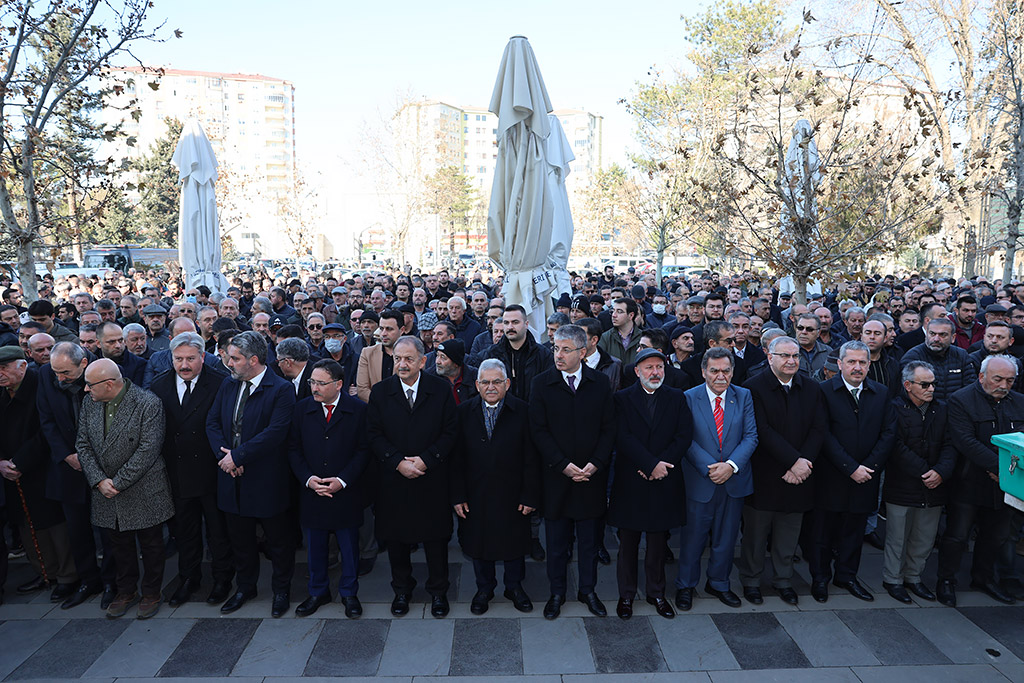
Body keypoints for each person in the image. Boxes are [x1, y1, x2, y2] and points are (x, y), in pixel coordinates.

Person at [205, 331, 297, 617]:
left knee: (278, 541)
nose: (228, 363)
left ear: (253, 360)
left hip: (267, 480)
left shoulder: (281, 389)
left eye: (234, 358)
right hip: (231, 477)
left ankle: (281, 590)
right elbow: (212, 422)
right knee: (240, 540)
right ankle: (246, 587)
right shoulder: (228, 385)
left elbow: (276, 432)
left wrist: (239, 455)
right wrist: (226, 457)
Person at [366, 335, 457, 618]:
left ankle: (439, 591)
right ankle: (402, 590)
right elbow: (373, 434)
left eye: (408, 359)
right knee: (397, 539)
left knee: (435, 538)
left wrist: (427, 460)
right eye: (397, 359)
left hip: (431, 478)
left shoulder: (440, 389)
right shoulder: (381, 392)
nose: (402, 365)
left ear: (422, 361)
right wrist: (397, 462)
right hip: (394, 480)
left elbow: (451, 431)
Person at [76, 359, 173, 619]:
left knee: (151, 544)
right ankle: (126, 591)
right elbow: (82, 444)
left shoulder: (147, 403)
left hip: (142, 486)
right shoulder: (90, 403)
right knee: (118, 544)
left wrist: (117, 482)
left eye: (89, 385)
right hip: (105, 488)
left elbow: (148, 450)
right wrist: (98, 480)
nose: (85, 390)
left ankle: (152, 592)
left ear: (109, 384)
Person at [529, 324, 615, 619]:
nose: (558, 355)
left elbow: (609, 428)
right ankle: (557, 593)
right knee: (555, 542)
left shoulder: (600, 383)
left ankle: (588, 590)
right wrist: (563, 465)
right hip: (557, 478)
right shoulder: (541, 383)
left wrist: (596, 463)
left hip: (591, 477)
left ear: (583, 351)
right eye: (555, 348)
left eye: (566, 349)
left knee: (589, 542)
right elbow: (538, 430)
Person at [738, 336, 825, 606]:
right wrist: (793, 462)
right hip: (765, 474)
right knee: (755, 534)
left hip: (800, 475)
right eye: (785, 356)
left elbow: (818, 429)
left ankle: (783, 580)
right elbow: (761, 431)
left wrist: (803, 463)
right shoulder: (752, 388)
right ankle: (751, 580)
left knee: (789, 533)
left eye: (795, 356)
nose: (791, 361)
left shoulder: (811, 388)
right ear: (770, 357)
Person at [450, 359, 540, 615]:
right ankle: (484, 588)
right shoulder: (463, 412)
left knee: (514, 544)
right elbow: (455, 459)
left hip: (513, 493)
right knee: (479, 543)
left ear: (507, 384)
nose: (491, 387)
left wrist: (530, 494)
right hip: (475, 493)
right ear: (477, 385)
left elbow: (532, 458)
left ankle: (514, 587)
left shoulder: (523, 411)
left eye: (497, 382)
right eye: (486, 382)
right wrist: (457, 496)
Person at [149, 332, 233, 607]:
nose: (184, 365)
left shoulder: (221, 383)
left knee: (218, 530)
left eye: (190, 359)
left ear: (203, 357)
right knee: (185, 531)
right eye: (178, 359)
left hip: (212, 470)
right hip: (177, 472)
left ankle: (222, 578)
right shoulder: (159, 386)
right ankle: (189, 577)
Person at [608, 348, 692, 619]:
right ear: (637, 371)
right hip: (631, 479)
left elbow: (683, 435)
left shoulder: (677, 397)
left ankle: (657, 593)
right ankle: (626, 595)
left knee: (658, 543)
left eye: (659, 367)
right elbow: (622, 436)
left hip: (664, 479)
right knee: (628, 543)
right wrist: (648, 464)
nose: (655, 372)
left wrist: (661, 465)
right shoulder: (621, 398)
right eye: (649, 368)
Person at [811, 340, 896, 603]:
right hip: (832, 476)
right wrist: (851, 468)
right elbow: (822, 434)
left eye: (862, 362)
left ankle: (847, 575)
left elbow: (889, 432)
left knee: (854, 531)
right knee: (823, 533)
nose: (857, 367)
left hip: (866, 477)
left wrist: (868, 467)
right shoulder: (823, 391)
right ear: (840, 364)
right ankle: (820, 577)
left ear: (869, 365)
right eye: (851, 362)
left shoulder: (881, 392)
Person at [936, 354, 1024, 606]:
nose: (1004, 385)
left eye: (1010, 380)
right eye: (998, 379)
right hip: (969, 482)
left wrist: (1005, 473)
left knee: (995, 536)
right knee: (957, 536)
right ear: (981, 377)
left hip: (1007, 484)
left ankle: (983, 578)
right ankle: (946, 580)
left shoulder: (1019, 402)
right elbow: (966, 442)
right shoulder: (960, 400)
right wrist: (1000, 467)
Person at [37, 342, 118, 610]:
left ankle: (111, 582)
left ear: (83, 364)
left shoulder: (104, 370)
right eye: (55, 372)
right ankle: (88, 579)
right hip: (69, 468)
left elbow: (116, 419)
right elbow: (46, 420)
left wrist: (94, 460)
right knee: (77, 529)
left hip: (103, 465)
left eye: (65, 373)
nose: (59, 378)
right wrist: (66, 455)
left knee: (108, 531)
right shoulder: (47, 375)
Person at [676, 347, 757, 610]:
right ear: (703, 371)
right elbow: (684, 438)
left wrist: (730, 466)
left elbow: (751, 436)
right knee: (693, 538)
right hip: (701, 480)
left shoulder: (743, 396)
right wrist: (710, 467)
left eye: (726, 370)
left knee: (726, 537)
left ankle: (719, 583)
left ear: (733, 371)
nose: (720, 376)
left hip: (733, 480)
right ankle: (685, 585)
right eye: (714, 370)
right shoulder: (688, 397)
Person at [288, 359, 369, 618]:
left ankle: (349, 593)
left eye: (321, 383)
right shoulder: (302, 410)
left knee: (348, 547)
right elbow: (293, 449)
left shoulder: (358, 410)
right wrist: (308, 479)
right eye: (312, 382)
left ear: (339, 385)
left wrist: (342, 480)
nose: (315, 388)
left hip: (345, 491)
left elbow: (363, 450)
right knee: (316, 547)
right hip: (313, 491)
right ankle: (318, 591)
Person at [0, 347, 78, 603]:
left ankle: (67, 575)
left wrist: (20, 461)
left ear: (22, 366)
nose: (0, 374)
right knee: (25, 523)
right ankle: (44, 573)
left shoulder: (40, 385)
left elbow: (47, 427)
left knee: (54, 522)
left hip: (44, 467)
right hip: (10, 472)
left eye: (4, 368)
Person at [882, 360, 955, 604]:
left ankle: (913, 578)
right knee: (897, 537)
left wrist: (941, 472)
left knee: (924, 537)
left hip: (934, 487)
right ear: (908, 385)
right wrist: (926, 472)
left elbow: (950, 444)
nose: (931, 389)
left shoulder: (942, 409)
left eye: (934, 384)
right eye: (925, 384)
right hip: (902, 485)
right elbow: (895, 446)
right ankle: (893, 579)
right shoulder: (893, 408)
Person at [900, 317, 973, 401]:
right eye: (932, 334)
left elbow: (970, 388)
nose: (936, 339)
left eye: (942, 335)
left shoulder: (961, 355)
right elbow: (907, 392)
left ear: (953, 338)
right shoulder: (912, 357)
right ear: (926, 334)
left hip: (957, 408)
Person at [355, 308, 403, 403]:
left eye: (389, 329)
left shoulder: (410, 354)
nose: (384, 334)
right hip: (375, 411)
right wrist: (382, 406)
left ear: (402, 330)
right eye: (381, 329)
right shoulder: (367, 353)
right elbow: (362, 389)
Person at [431, 338, 478, 404]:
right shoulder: (429, 377)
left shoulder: (475, 376)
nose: (437, 361)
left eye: (443, 357)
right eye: (437, 356)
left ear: (456, 363)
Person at [598, 298, 642, 365]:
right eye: (613, 311)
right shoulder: (605, 338)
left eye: (619, 311)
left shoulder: (643, 337)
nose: (614, 315)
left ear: (631, 315)